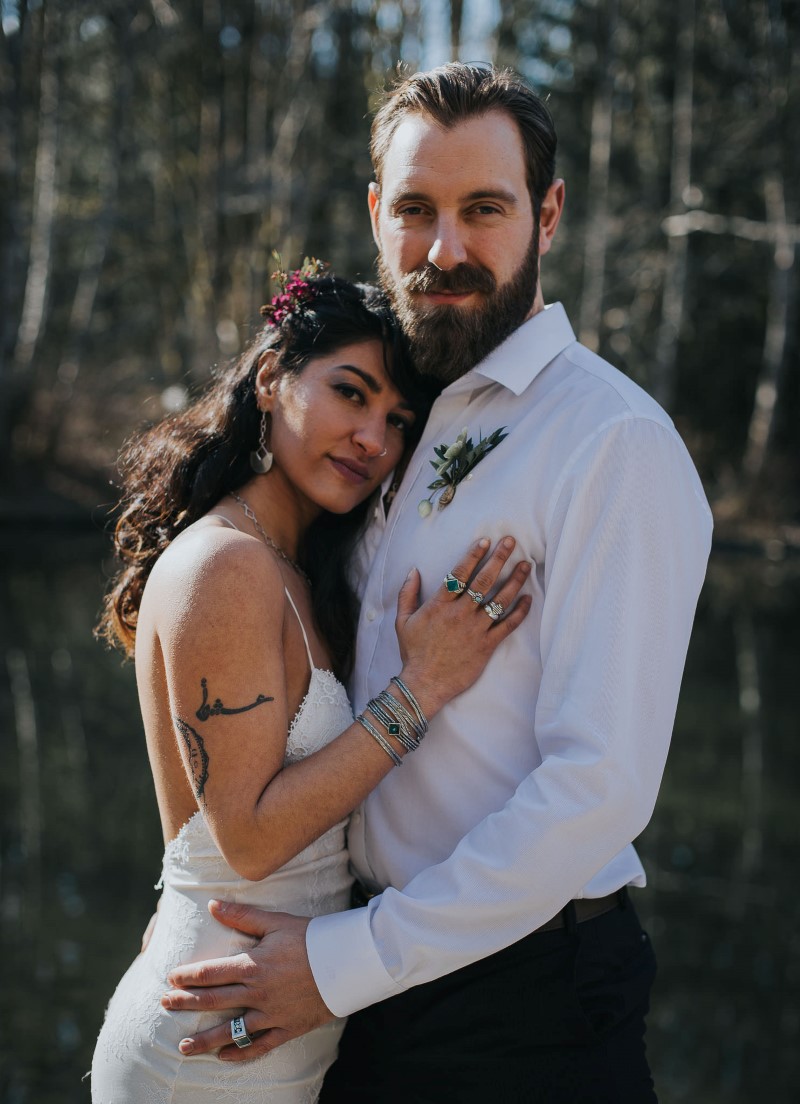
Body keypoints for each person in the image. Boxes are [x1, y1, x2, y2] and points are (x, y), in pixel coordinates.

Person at [160, 65, 714, 1101]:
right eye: (415, 210)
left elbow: (596, 790)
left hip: (520, 1009)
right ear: (377, 214)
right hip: (369, 979)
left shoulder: (613, 444)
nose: (445, 250)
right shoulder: (398, 422)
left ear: (546, 215)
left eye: (483, 210)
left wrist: (345, 962)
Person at [89, 271, 533, 1103]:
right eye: (349, 393)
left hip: (275, 1032)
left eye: (398, 421)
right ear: (271, 378)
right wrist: (422, 689)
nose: (372, 436)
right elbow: (251, 840)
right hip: (205, 1045)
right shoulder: (225, 565)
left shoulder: (298, 569)